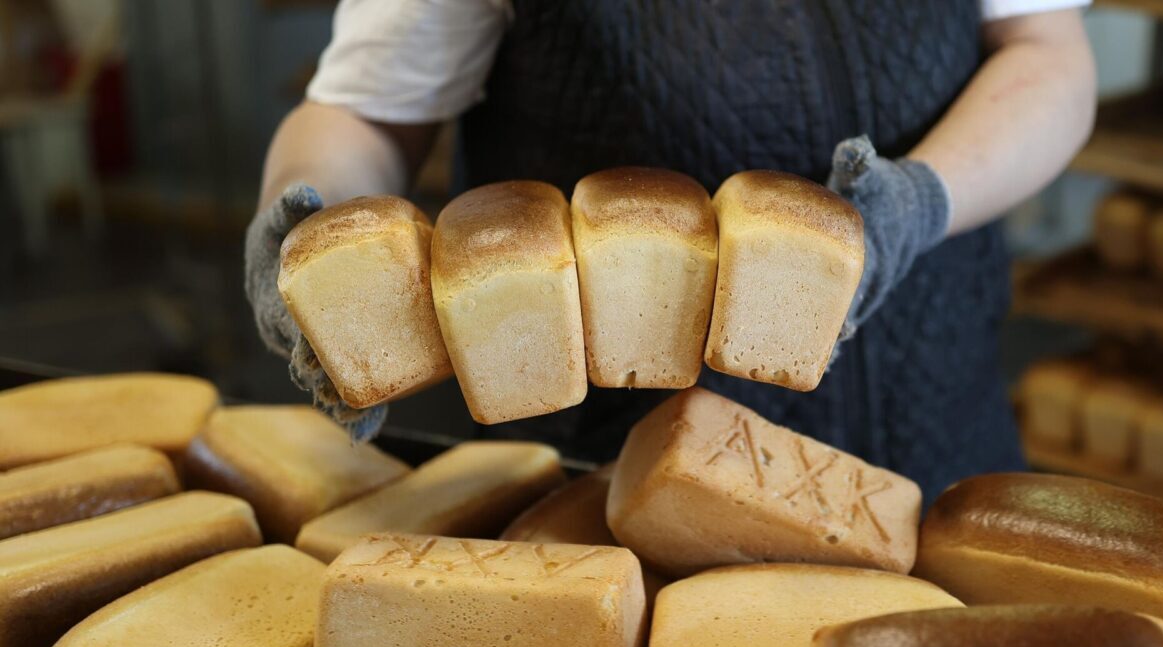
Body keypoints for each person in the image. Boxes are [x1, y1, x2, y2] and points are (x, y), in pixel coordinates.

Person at [246, 0, 1096, 500]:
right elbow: (361, 113)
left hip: (936, 421)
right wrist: (314, 230)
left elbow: (1046, 52)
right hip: (617, 472)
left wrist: (917, 202)